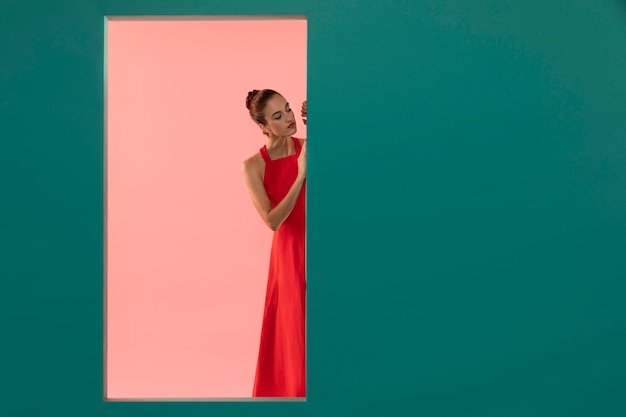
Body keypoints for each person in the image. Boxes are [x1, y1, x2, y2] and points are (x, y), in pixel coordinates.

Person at [242, 89, 307, 397]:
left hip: (319, 247)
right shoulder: (254, 165)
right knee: (292, 328)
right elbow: (272, 220)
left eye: (289, 109)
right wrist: (301, 175)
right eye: (278, 116)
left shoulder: (309, 146)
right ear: (264, 126)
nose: (290, 118)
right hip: (288, 252)